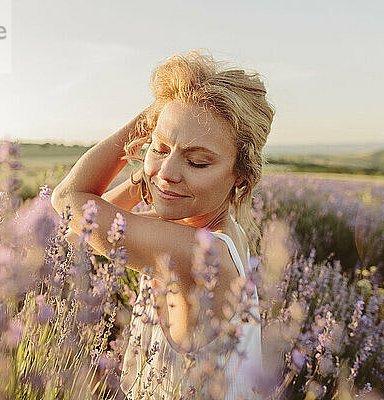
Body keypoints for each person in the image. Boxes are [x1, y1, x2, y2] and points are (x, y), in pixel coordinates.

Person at [52, 50, 274, 399]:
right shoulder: (213, 229)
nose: (169, 172)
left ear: (240, 176)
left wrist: (153, 116)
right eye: (160, 148)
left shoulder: (198, 253)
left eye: (198, 162)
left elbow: (69, 200)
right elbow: (79, 224)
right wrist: (149, 173)